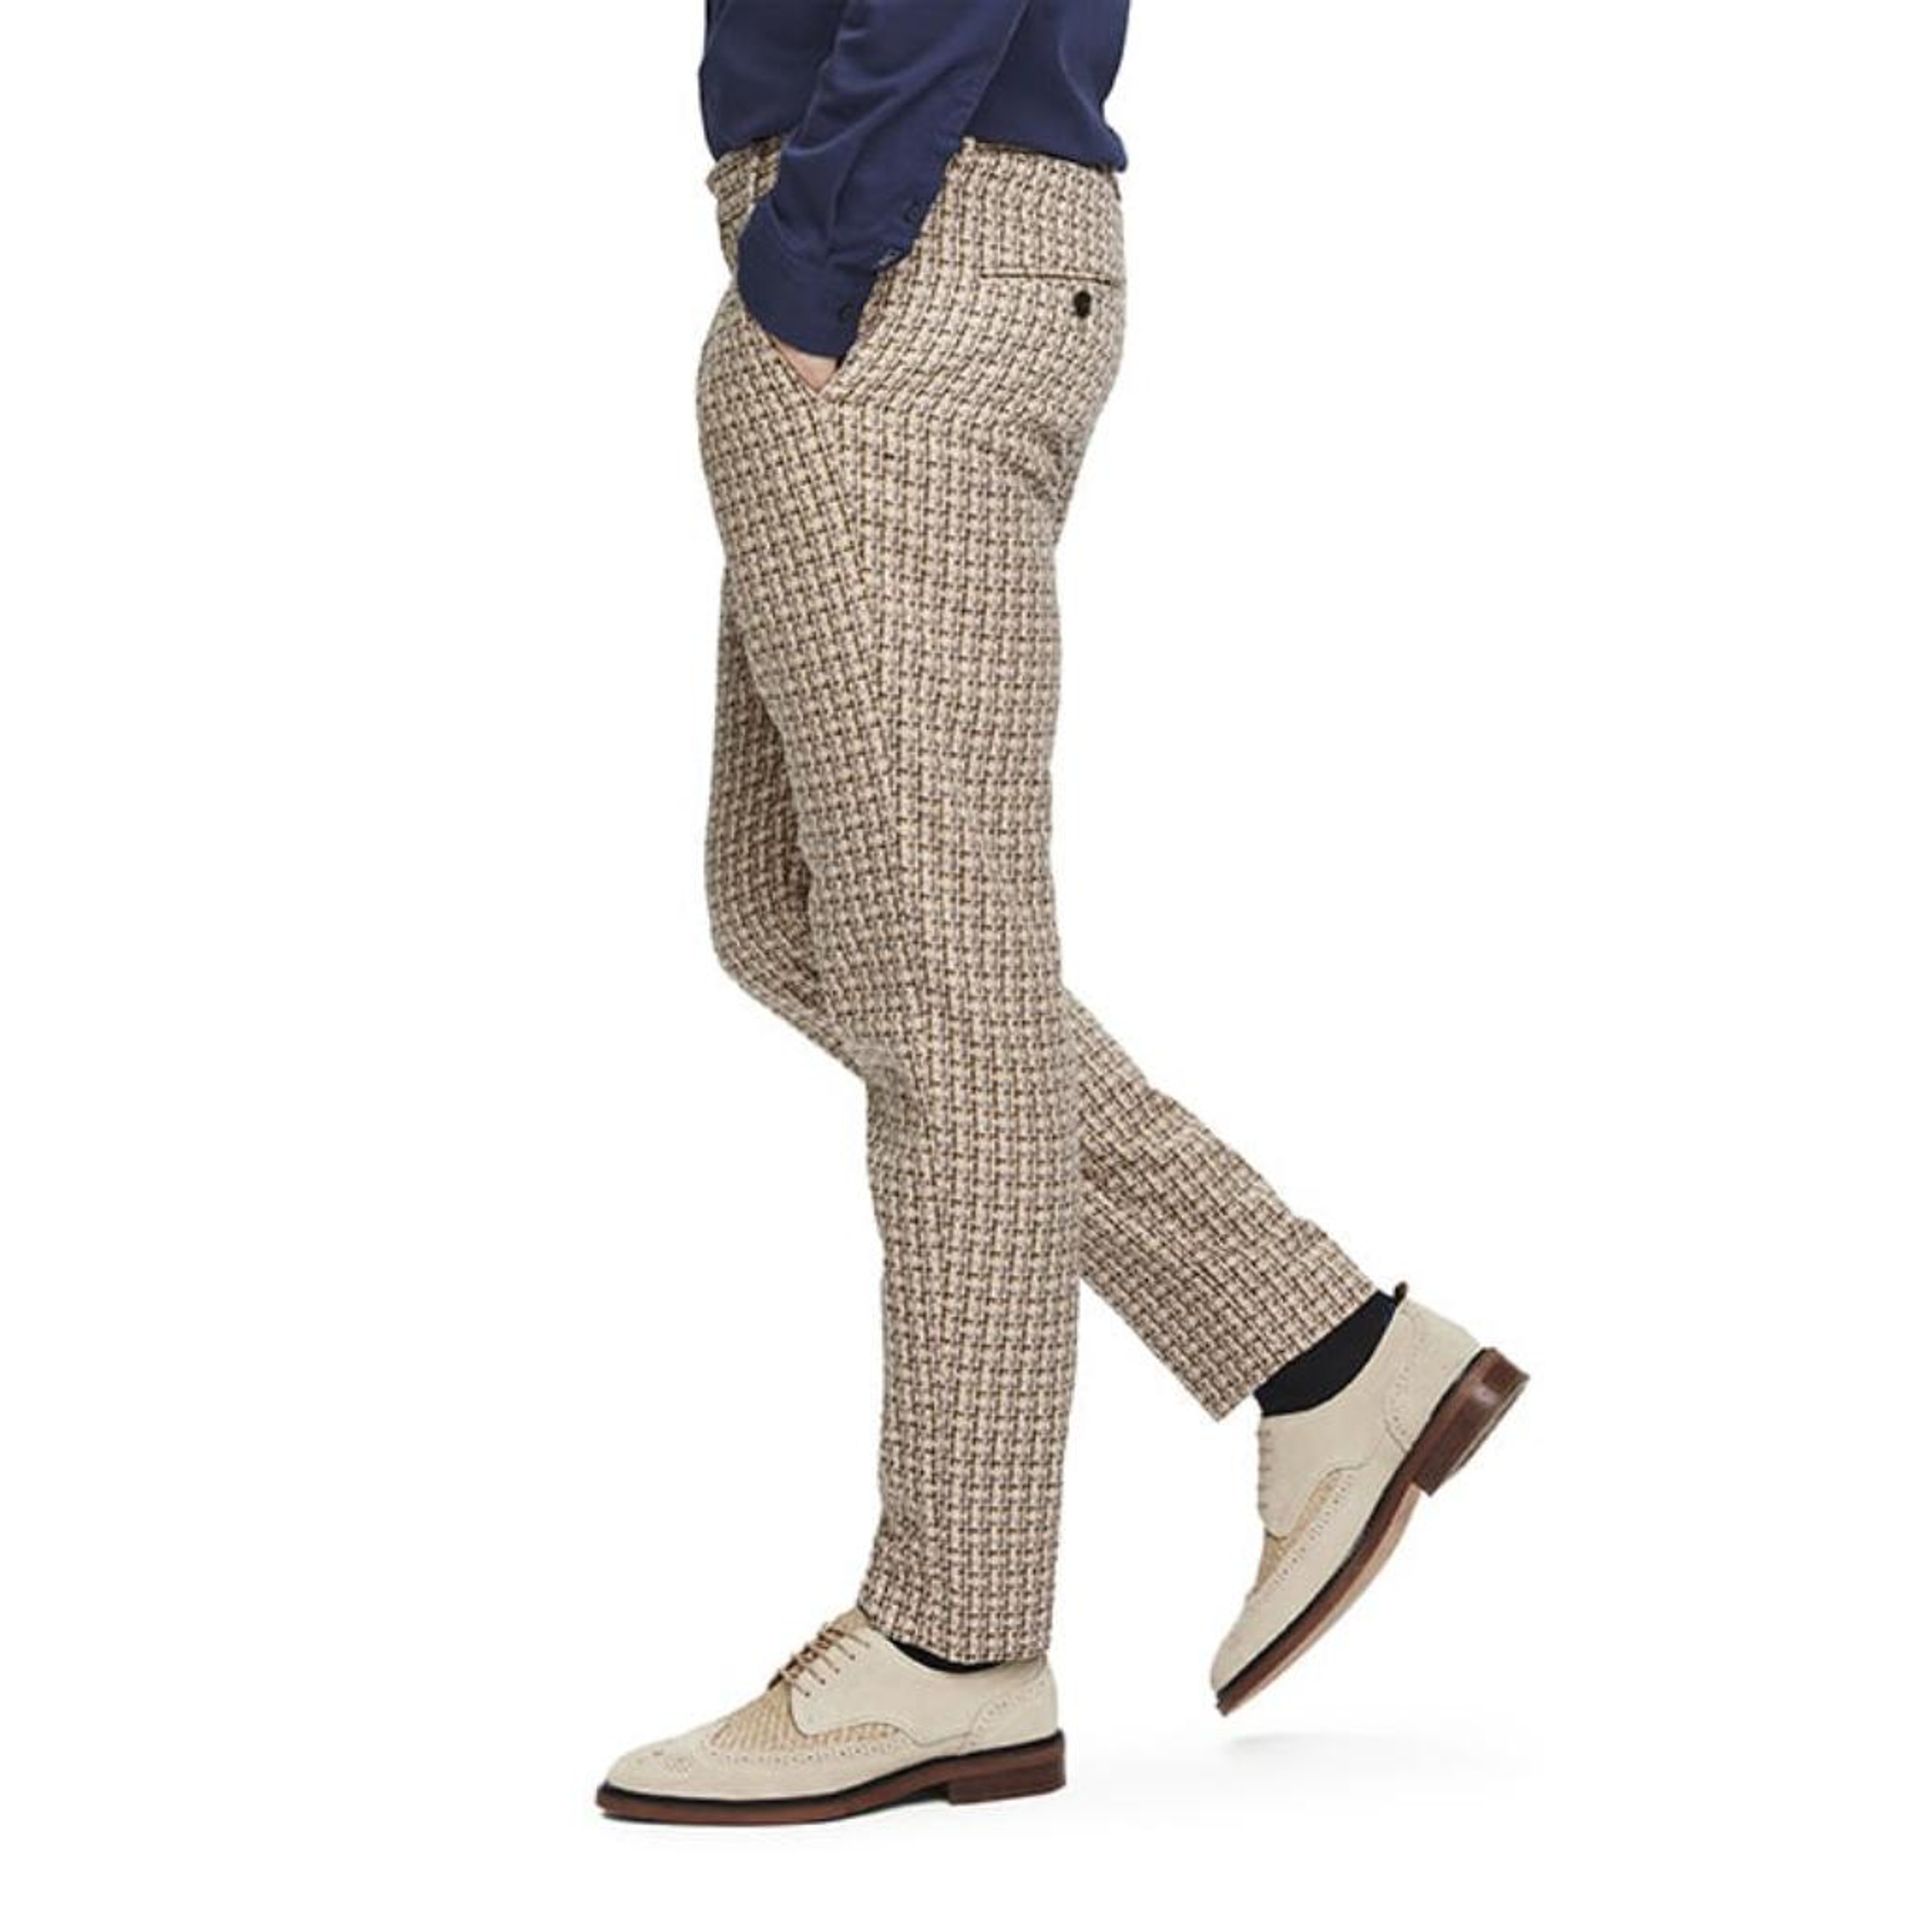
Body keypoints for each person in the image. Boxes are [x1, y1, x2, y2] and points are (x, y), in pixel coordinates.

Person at [597, 1, 1527, 1826]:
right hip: (923, 233)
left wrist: (818, 250)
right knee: (795, 915)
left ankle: (955, 1647)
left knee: (941, 993)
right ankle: (1331, 1356)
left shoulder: (858, 240)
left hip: (900, 240)